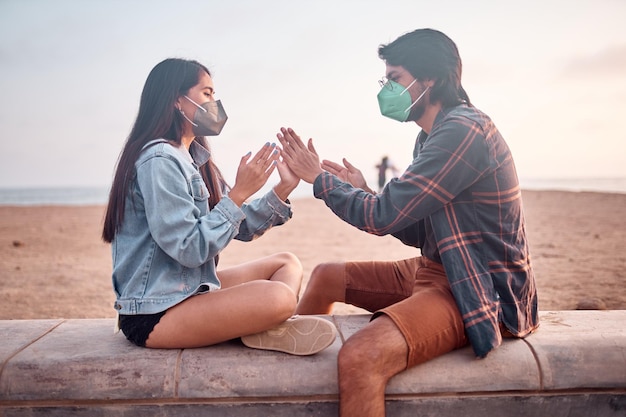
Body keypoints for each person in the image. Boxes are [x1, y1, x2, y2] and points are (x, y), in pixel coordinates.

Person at [277, 28, 539, 416]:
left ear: (429, 78)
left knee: (360, 356)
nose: (386, 89)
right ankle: (289, 381)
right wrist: (364, 189)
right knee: (325, 276)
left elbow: (382, 218)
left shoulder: (463, 131)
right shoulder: (430, 136)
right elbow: (417, 229)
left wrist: (320, 180)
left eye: (395, 78)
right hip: (438, 266)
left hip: (476, 286)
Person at [101, 58, 336, 355]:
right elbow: (189, 248)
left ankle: (264, 330)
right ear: (177, 100)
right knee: (279, 298)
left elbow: (242, 226)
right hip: (155, 312)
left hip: (190, 289)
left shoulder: (193, 158)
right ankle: (264, 325)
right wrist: (237, 194)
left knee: (287, 264)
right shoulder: (159, 159)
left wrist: (283, 188)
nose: (215, 102)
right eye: (207, 93)